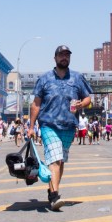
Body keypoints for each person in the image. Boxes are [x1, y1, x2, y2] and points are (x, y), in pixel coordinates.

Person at [28, 45, 92, 210]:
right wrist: (31, 126)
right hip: (48, 124)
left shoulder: (77, 78)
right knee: (55, 158)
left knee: (60, 160)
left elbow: (87, 99)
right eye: (61, 55)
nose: (64, 57)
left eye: (67, 55)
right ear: (55, 58)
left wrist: (80, 104)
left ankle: (51, 191)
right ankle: (55, 196)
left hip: (69, 125)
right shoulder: (45, 79)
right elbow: (36, 104)